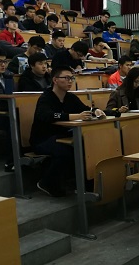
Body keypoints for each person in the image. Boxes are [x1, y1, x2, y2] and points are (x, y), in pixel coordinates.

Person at [30, 66, 105, 197]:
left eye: (71, 78)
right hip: (43, 139)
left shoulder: (70, 97)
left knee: (89, 146)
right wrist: (75, 116)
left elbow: (84, 108)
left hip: (63, 136)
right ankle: (47, 182)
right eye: (66, 78)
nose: (70, 81)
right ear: (55, 80)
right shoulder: (46, 97)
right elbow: (46, 115)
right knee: (65, 151)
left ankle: (88, 185)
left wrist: (95, 111)